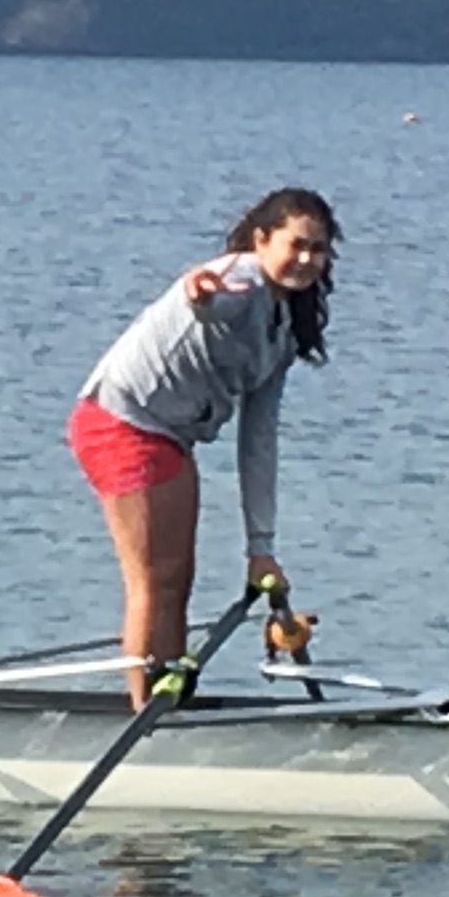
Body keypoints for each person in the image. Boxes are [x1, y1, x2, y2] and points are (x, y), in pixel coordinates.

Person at [69, 189, 336, 699]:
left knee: (178, 579)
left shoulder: (283, 331)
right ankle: (142, 707)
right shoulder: (239, 278)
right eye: (296, 245)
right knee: (153, 580)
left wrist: (261, 549)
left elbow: (259, 442)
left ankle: (172, 699)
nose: (306, 259)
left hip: (169, 435)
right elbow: (216, 304)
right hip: (119, 421)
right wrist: (200, 297)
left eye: (317, 249)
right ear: (262, 240)